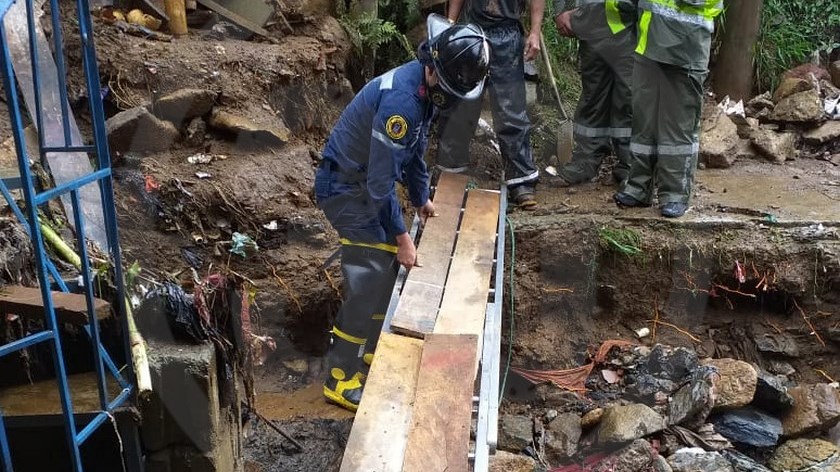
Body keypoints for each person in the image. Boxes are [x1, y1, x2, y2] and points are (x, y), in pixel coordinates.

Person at [314, 14, 490, 412]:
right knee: (371, 271)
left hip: (362, 186)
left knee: (386, 266)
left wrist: (420, 196)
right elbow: (379, 185)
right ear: (436, 69)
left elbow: (413, 153)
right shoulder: (403, 103)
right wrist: (404, 239)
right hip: (344, 189)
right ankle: (340, 377)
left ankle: (372, 354)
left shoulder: (422, 88)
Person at [613, 0, 722, 218]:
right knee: (644, 122)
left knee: (678, 127)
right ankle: (638, 187)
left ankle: (674, 195)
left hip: (686, 49)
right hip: (648, 45)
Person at [435, 0, 544, 209]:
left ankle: (520, 179)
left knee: (510, 107)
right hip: (471, 31)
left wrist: (535, 32)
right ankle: (451, 170)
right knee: (460, 102)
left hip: (507, 34)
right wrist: (450, 23)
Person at [552, 0, 636, 186]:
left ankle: (631, 165)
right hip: (592, 31)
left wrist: (578, 16)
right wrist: (560, 12)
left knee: (628, 100)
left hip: (630, 29)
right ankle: (586, 160)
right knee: (593, 98)